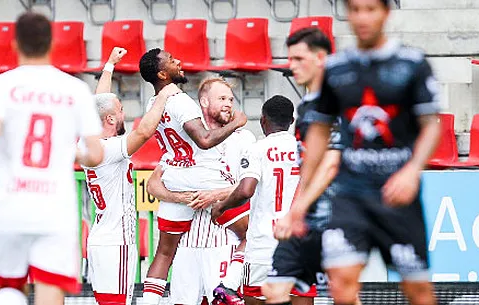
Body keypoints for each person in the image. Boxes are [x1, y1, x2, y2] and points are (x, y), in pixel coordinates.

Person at [292, 0, 442, 304]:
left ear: (386, 12)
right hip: (350, 196)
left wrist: (412, 170)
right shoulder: (336, 68)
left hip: (396, 196)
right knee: (342, 284)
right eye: (355, 9)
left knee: (418, 292)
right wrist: (302, 198)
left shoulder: (412, 63)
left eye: (370, 9)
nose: (362, 17)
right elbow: (320, 130)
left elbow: (432, 125)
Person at [0, 12, 104, 305]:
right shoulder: (75, 89)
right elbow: (95, 154)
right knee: (49, 289)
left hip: (10, 205)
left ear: (15, 43)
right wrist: (74, 152)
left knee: (9, 289)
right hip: (55, 210)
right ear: (52, 43)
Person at [138, 48, 247, 305]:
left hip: (175, 176)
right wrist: (237, 123)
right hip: (205, 177)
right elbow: (205, 140)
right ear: (163, 73)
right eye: (172, 61)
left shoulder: (152, 103)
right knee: (253, 233)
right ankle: (229, 287)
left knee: (163, 254)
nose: (179, 62)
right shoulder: (182, 102)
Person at [82, 46, 181, 305]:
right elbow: (144, 132)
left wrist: (109, 65)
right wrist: (164, 95)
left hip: (100, 240)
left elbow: (99, 102)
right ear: (112, 119)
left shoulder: (89, 143)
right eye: (122, 110)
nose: (125, 113)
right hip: (118, 243)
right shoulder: (110, 149)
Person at [266, 27, 339, 305]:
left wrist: (295, 210)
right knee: (275, 290)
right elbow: (308, 168)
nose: (291, 66)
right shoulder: (307, 107)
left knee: (344, 294)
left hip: (338, 219)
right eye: (290, 59)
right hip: (308, 220)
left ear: (320, 58)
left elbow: (331, 165)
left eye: (299, 59)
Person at [212, 96, 299, 305]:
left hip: (263, 246)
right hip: (299, 246)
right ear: (292, 121)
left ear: (263, 120)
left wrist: (221, 206)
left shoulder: (257, 149)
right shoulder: (304, 150)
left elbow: (245, 190)